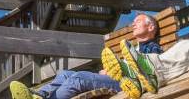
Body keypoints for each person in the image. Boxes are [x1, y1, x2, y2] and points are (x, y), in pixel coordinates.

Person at [9, 13, 163, 99]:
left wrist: (117, 70)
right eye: (133, 22)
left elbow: (146, 70)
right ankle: (38, 95)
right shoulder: (134, 47)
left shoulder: (152, 48)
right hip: (116, 78)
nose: (133, 24)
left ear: (150, 27)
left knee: (79, 78)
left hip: (127, 84)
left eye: (138, 21)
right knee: (64, 74)